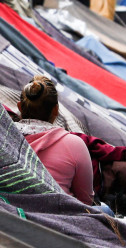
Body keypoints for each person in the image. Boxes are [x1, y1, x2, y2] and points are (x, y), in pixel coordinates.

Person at [14, 75, 95, 205]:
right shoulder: (74, 144)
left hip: (8, 210)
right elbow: (86, 200)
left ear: (19, 106)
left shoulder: (3, 134)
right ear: (56, 110)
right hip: (57, 217)